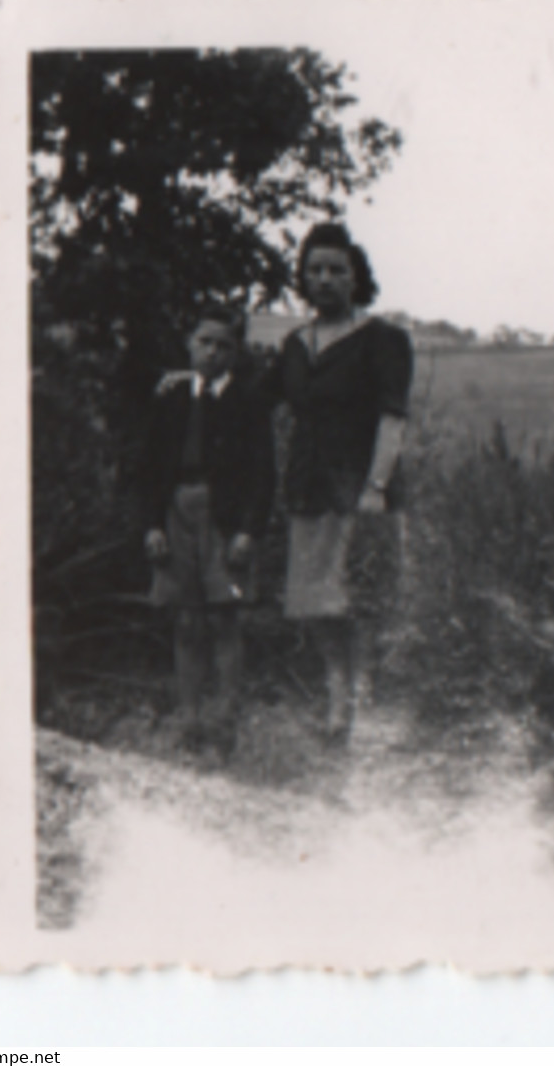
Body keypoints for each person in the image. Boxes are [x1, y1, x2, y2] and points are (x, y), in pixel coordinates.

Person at [264, 222, 413, 742]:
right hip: (310, 491)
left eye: (336, 270)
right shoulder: (296, 346)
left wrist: (376, 487)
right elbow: (254, 397)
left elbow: (393, 419)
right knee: (318, 608)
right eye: (315, 271)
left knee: (359, 602)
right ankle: (337, 701)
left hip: (360, 492)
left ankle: (358, 708)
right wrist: (185, 378)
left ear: (356, 278)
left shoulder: (383, 340)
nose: (325, 279)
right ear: (304, 280)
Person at [136, 305, 276, 756]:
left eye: (224, 345)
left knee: (224, 618)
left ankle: (225, 723)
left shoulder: (248, 401)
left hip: (224, 515)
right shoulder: (172, 397)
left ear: (236, 354)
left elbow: (262, 471)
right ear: (189, 345)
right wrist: (152, 524)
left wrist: (248, 531)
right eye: (205, 342)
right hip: (178, 510)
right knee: (186, 619)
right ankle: (190, 719)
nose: (213, 352)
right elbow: (150, 467)